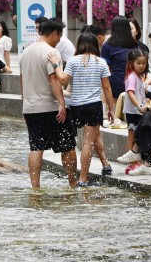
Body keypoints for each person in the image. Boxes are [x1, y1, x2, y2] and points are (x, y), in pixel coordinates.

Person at [48, 32, 115, 186]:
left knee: (93, 136)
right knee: (88, 143)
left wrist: (56, 65)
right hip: (93, 106)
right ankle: (83, 179)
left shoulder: (72, 60)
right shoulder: (101, 62)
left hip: (76, 106)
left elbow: (63, 79)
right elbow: (107, 87)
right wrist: (111, 109)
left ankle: (105, 165)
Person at [20, 17, 78, 188]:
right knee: (67, 146)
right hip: (50, 107)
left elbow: (21, 80)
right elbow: (54, 80)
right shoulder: (51, 53)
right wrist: (61, 103)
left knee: (36, 147)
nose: (59, 41)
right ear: (54, 34)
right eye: (59, 37)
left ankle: (35, 187)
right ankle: (72, 183)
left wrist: (24, 104)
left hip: (30, 107)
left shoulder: (26, 52)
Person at [117, 49, 149, 169]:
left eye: (144, 63)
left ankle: (134, 159)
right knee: (132, 134)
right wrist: (139, 106)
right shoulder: (132, 77)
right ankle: (131, 162)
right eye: (138, 63)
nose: (141, 66)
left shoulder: (139, 77)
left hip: (138, 112)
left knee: (137, 135)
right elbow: (130, 93)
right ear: (131, 63)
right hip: (133, 112)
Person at [100, 16, 138, 102]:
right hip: (133, 81)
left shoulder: (108, 45)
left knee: (115, 110)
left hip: (115, 82)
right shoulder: (134, 44)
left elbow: (104, 67)